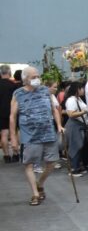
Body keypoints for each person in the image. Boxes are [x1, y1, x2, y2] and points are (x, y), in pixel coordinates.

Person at [9, 66, 63, 205]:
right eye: (33, 77)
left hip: (48, 133)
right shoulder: (18, 94)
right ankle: (35, 194)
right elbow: (12, 117)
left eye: (38, 76)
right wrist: (13, 138)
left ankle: (40, 183)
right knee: (29, 164)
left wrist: (59, 125)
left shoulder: (45, 90)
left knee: (52, 163)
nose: (37, 79)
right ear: (25, 79)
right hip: (29, 136)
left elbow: (54, 110)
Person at [63, 82, 88, 176]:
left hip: (79, 126)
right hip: (74, 126)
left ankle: (77, 166)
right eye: (82, 88)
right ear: (77, 89)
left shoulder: (78, 99)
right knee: (75, 146)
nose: (83, 90)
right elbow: (71, 114)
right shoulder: (71, 100)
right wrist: (84, 112)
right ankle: (74, 169)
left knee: (78, 146)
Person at [1, 65, 20, 162]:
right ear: (9, 73)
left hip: (1, 113)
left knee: (4, 134)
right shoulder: (14, 86)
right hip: (13, 112)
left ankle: (6, 156)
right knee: (14, 133)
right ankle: (16, 154)